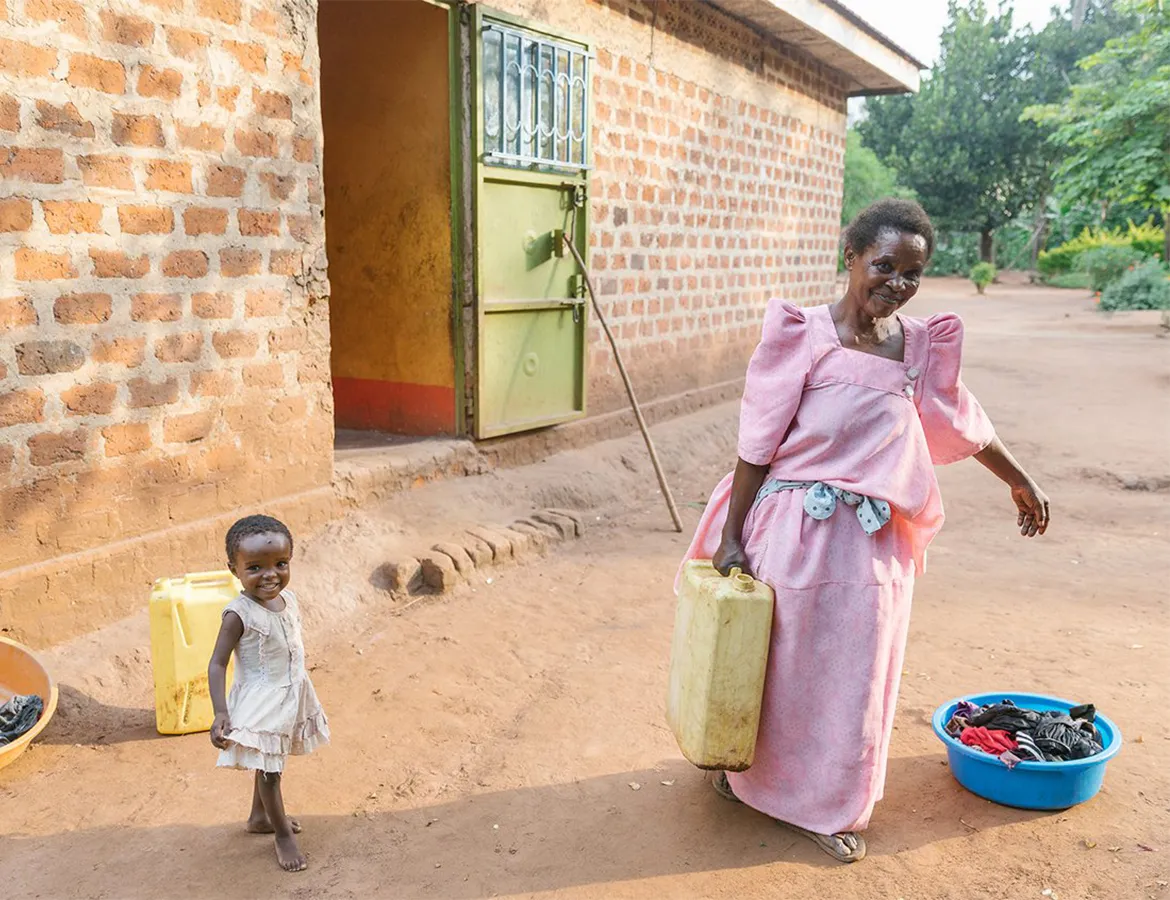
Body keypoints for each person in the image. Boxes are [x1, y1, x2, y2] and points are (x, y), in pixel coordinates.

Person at [679, 199, 1050, 863]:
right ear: (850, 256)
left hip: (875, 545)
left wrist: (1018, 478)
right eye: (884, 266)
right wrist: (733, 537)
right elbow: (757, 444)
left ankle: (830, 806)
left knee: (856, 679)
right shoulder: (802, 334)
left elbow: (962, 423)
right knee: (779, 670)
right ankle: (746, 777)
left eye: (913, 274)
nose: (898, 284)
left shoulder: (918, 349)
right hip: (791, 531)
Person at [208, 514, 330, 873]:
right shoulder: (238, 614)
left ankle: (258, 816)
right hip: (261, 701)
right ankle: (281, 836)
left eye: (280, 564)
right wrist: (220, 712)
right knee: (270, 771)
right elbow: (217, 664)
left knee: (270, 762)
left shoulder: (288, 600)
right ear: (234, 569)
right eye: (255, 568)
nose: (270, 575)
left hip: (290, 694)